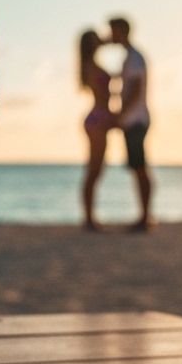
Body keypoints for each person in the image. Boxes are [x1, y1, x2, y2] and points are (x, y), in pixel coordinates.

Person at [108, 16, 153, 230]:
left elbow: (135, 89)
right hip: (133, 120)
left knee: (140, 167)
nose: (110, 35)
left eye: (113, 31)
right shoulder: (130, 57)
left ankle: (145, 217)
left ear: (122, 31)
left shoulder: (133, 58)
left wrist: (121, 114)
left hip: (135, 120)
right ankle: (144, 216)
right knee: (138, 168)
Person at [79, 28, 114, 230]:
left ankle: (90, 217)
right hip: (98, 119)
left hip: (99, 118)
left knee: (97, 168)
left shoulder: (90, 65)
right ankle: (89, 218)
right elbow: (102, 98)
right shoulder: (91, 67)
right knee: (94, 169)